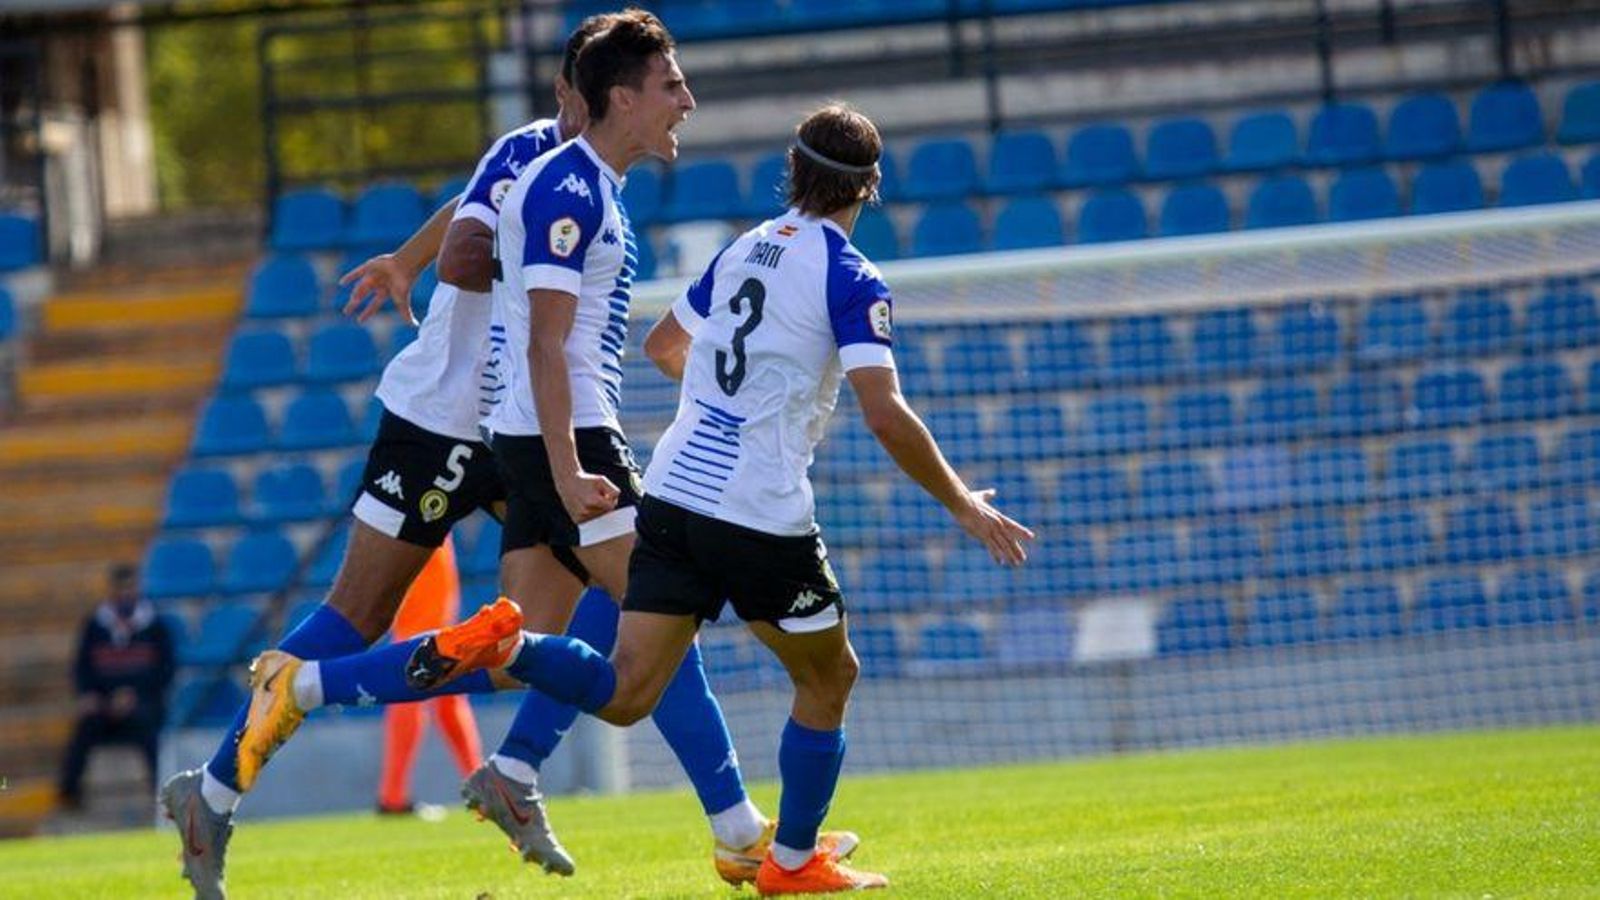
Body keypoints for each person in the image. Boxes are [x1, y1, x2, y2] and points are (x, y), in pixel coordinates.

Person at [160, 12, 794, 898]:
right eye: (574, 92)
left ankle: (551, 780)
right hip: (447, 420)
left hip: (515, 424)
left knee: (605, 609)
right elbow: (475, 237)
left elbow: (471, 218)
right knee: (369, 613)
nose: (567, 107)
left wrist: (403, 261)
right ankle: (227, 781)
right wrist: (436, 264)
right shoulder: (546, 161)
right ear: (586, 93)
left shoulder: (579, 176)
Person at [403, 102, 1035, 894]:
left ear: (794, 173)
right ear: (867, 189)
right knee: (829, 678)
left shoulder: (744, 249)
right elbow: (885, 410)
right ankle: (793, 864)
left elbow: (665, 344)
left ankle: (508, 646)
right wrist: (962, 504)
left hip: (671, 496)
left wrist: (721, 406)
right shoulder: (850, 275)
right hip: (761, 513)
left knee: (630, 691)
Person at [375, 537, 481, 816]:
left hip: (415, 529)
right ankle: (393, 795)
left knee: (445, 683)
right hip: (421, 528)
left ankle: (478, 783)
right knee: (421, 670)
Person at [58, 563, 175, 811]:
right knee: (85, 727)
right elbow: (83, 667)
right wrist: (89, 695)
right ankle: (69, 793)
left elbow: (165, 670)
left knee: (149, 731)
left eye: (130, 588)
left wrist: (137, 695)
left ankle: (163, 795)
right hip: (104, 705)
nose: (125, 595)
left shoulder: (155, 626)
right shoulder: (95, 626)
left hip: (143, 705)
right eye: (121, 589)